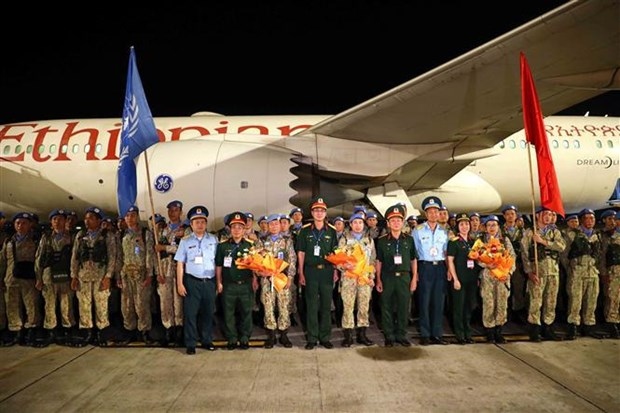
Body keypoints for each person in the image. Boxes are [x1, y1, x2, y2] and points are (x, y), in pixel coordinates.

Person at [70, 207, 117, 346]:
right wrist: (74, 276)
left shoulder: (107, 236)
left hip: (100, 277)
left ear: (98, 220)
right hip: (83, 276)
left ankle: (101, 333)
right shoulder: (80, 235)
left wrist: (108, 276)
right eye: (86, 218)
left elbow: (112, 257)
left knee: (101, 306)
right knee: (84, 306)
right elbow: (75, 257)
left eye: (91, 218)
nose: (87, 221)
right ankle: (87, 333)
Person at [174, 205, 219, 355]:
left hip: (209, 282)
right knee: (191, 314)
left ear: (206, 224)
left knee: (208, 313)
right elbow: (180, 263)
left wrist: (219, 282)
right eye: (196, 222)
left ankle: (206, 340)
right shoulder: (185, 241)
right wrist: (180, 284)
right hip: (192, 282)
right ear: (191, 224)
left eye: (202, 222)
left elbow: (218, 264)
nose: (200, 225)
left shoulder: (214, 240)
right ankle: (191, 343)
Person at [297, 196, 339, 349]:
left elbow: (336, 253)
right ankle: (312, 338)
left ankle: (325, 337)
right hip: (310, 272)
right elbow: (301, 253)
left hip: (327, 272)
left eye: (322, 211)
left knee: (326, 305)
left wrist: (335, 271)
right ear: (312, 213)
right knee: (312, 305)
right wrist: (301, 273)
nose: (319, 213)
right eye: (316, 210)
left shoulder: (332, 232)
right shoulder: (304, 231)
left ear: (325, 213)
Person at [520, 207, 566, 342]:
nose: (548, 217)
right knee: (536, 300)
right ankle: (534, 329)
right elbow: (524, 254)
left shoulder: (554, 232)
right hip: (538, 271)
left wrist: (543, 242)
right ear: (538, 215)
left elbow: (562, 246)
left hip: (553, 271)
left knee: (551, 301)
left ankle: (548, 328)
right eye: (545, 214)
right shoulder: (530, 232)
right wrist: (529, 272)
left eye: (551, 214)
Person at [215, 212, 258, 350]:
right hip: (229, 285)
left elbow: (255, 264)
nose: (237, 230)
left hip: (246, 285)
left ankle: (245, 337)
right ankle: (232, 338)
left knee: (246, 312)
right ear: (230, 229)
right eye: (234, 227)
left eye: (240, 227)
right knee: (228, 313)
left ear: (244, 228)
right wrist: (219, 282)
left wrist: (255, 280)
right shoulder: (222, 246)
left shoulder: (250, 245)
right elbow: (219, 266)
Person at [375, 204, 416, 347]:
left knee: (403, 307)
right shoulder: (381, 240)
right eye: (393, 220)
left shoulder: (409, 240)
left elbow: (413, 260)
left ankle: (401, 334)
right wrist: (378, 279)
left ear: (403, 222)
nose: (396, 223)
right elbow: (378, 261)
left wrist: (414, 278)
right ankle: (389, 335)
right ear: (388, 223)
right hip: (387, 277)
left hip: (404, 277)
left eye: (399, 220)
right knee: (386, 306)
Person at [254, 213, 297, 348]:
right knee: (268, 306)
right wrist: (260, 272)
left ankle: (284, 334)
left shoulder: (287, 241)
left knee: (284, 306)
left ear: (280, 225)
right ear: (267, 226)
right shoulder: (261, 241)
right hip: (267, 279)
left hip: (282, 278)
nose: (273, 226)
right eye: (271, 224)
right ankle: (271, 335)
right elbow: (256, 261)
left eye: (276, 224)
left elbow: (292, 260)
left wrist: (290, 277)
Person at [34, 209, 75, 346]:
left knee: (66, 305)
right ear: (51, 222)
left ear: (65, 221)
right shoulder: (46, 238)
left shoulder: (72, 237)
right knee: (49, 305)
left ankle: (67, 331)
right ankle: (51, 331)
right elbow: (39, 259)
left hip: (66, 276)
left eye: (60, 219)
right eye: (54, 219)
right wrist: (38, 278)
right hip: (48, 277)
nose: (57, 222)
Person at [412, 196, 450, 345]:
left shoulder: (444, 231)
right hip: (425, 267)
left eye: (436, 211)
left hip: (440, 267)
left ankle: (437, 334)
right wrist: (415, 274)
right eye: (430, 212)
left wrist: (448, 270)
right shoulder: (418, 230)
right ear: (426, 214)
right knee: (424, 301)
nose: (433, 214)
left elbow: (447, 253)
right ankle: (425, 334)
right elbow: (414, 254)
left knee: (438, 302)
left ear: (439, 213)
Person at [0, 212, 41, 346]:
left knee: (31, 306)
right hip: (11, 279)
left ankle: (31, 330)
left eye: (24, 223)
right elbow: (3, 262)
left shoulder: (35, 240)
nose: (20, 226)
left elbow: (39, 261)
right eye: (18, 223)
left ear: (30, 225)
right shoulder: (9, 241)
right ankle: (16, 331)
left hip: (29, 279)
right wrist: (1, 278)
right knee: (12, 306)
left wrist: (39, 278)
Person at [563, 208, 603, 340]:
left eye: (592, 218)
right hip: (577, 272)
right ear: (581, 220)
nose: (590, 221)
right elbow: (564, 255)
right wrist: (570, 269)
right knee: (575, 301)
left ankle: (589, 325)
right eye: (587, 218)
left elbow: (600, 255)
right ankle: (573, 326)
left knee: (591, 300)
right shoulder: (572, 235)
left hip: (592, 272)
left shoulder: (597, 235)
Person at [117, 206, 155, 345]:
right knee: (126, 305)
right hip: (127, 275)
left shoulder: (145, 234)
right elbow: (119, 257)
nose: (130, 218)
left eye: (133, 215)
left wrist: (149, 274)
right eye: (127, 216)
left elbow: (150, 255)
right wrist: (118, 276)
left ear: (137, 217)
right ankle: (129, 331)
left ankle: (145, 332)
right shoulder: (121, 235)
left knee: (142, 304)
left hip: (141, 274)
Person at [337, 213, 376, 347]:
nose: (358, 225)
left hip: (364, 279)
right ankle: (348, 336)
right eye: (355, 223)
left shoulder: (369, 240)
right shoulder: (344, 239)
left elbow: (372, 261)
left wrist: (372, 277)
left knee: (363, 307)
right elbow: (338, 259)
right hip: (349, 278)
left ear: (363, 224)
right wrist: (344, 266)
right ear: (351, 224)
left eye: (360, 222)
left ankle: (362, 335)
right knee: (348, 307)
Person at [478, 215, 516, 343]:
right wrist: (486, 264)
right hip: (488, 276)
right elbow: (476, 258)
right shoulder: (481, 241)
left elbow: (512, 257)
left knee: (501, 304)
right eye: (489, 225)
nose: (491, 228)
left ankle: (499, 331)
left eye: (494, 225)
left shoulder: (505, 240)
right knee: (489, 303)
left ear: (498, 227)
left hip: (502, 277)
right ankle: (489, 331)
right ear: (485, 228)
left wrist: (509, 273)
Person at [446, 213, 480, 344]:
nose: (464, 226)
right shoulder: (454, 242)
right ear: (458, 226)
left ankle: (468, 332)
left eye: (467, 223)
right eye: (461, 224)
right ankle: (459, 334)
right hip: (459, 279)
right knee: (458, 308)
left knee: (469, 306)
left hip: (471, 279)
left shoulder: (474, 242)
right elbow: (450, 261)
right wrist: (455, 279)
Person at [155, 200, 185, 347]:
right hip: (164, 269)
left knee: (178, 301)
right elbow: (155, 252)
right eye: (170, 210)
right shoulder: (161, 230)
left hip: (179, 269)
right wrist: (157, 272)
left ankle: (179, 330)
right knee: (165, 301)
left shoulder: (186, 229)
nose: (172, 213)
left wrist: (165, 248)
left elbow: (182, 249)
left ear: (180, 212)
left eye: (175, 210)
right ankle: (168, 329)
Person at [501, 204, 527, 323]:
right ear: (504, 216)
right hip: (503, 265)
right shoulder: (500, 231)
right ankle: (506, 312)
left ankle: (518, 311)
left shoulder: (523, 232)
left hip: (519, 264)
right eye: (507, 214)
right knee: (504, 289)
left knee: (518, 288)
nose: (510, 216)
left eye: (512, 214)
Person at [600, 211, 620, 338]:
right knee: (613, 297)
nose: (613, 221)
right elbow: (601, 256)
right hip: (612, 270)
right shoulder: (603, 236)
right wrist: (603, 273)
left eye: (615, 219)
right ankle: (612, 323)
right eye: (610, 219)